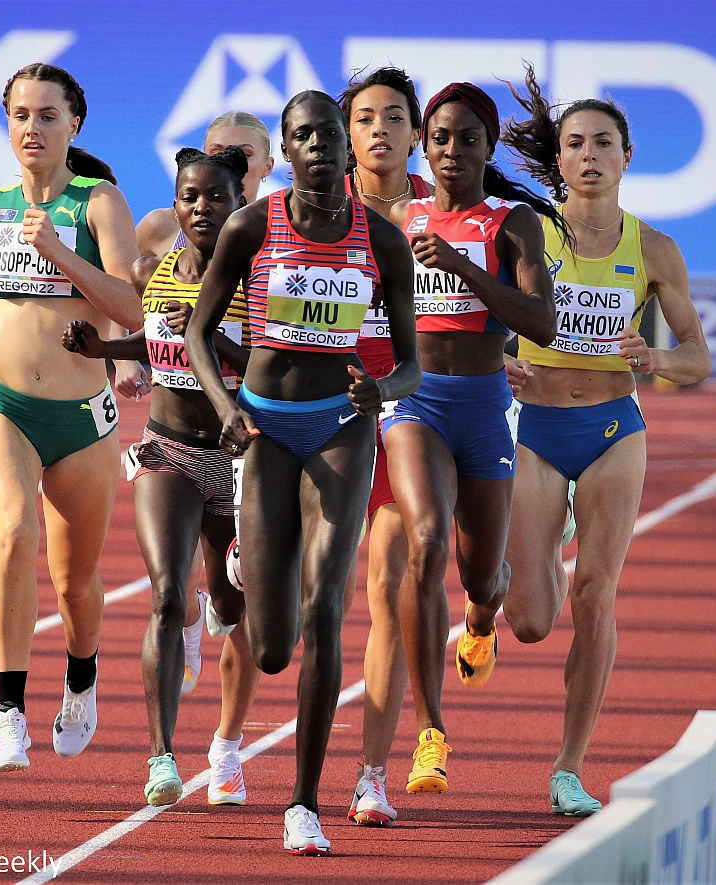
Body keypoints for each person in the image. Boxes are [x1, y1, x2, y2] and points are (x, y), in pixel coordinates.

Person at [185, 90, 420, 855]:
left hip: (342, 426)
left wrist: (379, 391)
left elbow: (411, 366)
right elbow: (196, 328)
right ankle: (251, 565)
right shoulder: (255, 224)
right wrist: (224, 406)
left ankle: (305, 803)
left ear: (346, 148)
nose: (317, 144)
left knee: (326, 609)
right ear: (284, 152)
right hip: (264, 425)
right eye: (302, 135)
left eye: (328, 132)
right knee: (275, 643)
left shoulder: (381, 240)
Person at [499, 65, 712, 815]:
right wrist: (500, 360)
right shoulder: (527, 230)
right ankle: (542, 538)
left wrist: (655, 358)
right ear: (557, 160)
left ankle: (568, 767)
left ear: (627, 157)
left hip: (615, 427)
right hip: (537, 426)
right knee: (528, 620)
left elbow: (698, 357)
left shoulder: (653, 249)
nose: (590, 155)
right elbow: (463, 318)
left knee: (597, 593)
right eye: (576, 144)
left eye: (604, 144)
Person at [0, 63, 142, 774]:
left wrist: (57, 252)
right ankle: (9, 711)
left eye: (48, 115)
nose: (32, 128)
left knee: (76, 584)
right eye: (21, 115)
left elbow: (131, 308)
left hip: (83, 419)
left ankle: (82, 676)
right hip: (3, 407)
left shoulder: (98, 202)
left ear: (74, 124)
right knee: (14, 530)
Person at [61, 146, 263, 807]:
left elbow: (270, 367)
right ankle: (162, 757)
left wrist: (206, 332)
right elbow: (158, 343)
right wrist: (104, 348)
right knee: (167, 596)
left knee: (233, 614)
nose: (201, 208)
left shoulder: (257, 277)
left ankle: (227, 744)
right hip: (168, 451)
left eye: (215, 197)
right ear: (174, 202)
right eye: (189, 196)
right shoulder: (165, 267)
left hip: (239, 463)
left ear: (239, 204)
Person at [383, 82, 559, 797]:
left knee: (479, 574)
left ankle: (481, 613)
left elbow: (541, 323)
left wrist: (460, 267)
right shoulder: (398, 217)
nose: (453, 150)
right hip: (415, 402)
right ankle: (431, 733)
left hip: (486, 408)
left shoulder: (511, 223)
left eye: (468, 139)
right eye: (442, 138)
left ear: (489, 150)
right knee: (423, 541)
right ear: (425, 146)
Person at [132, 113, 277, 677]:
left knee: (236, 602)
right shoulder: (161, 234)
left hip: (245, 440)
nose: (203, 200)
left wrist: (208, 337)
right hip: (172, 436)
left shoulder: (276, 241)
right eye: (213, 151)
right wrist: (122, 352)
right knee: (169, 579)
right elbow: (139, 296)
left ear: (262, 167)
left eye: (239, 155)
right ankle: (205, 746)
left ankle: (212, 608)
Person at [335, 66, 430, 828]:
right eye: (365, 117)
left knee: (388, 590)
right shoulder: (310, 208)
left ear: (415, 131)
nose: (379, 131)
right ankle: (228, 742)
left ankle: (372, 775)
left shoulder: (444, 211)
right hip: (318, 415)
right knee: (302, 601)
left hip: (406, 414)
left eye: (393, 117)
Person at [136, 112, 276, 257]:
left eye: (244, 154)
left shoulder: (282, 234)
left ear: (268, 166)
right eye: (216, 152)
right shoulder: (159, 226)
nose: (228, 163)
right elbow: (120, 277)